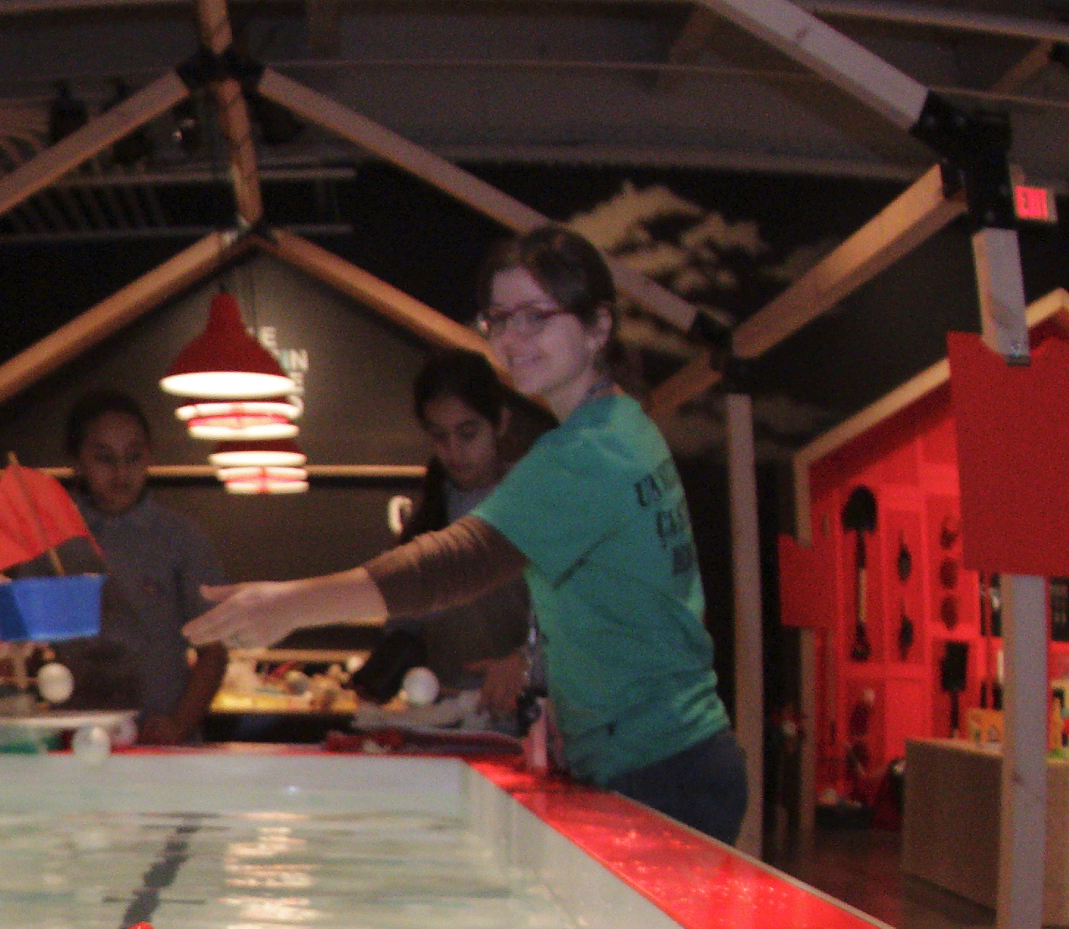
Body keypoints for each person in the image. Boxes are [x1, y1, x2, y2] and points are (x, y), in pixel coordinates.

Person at [187, 225, 746, 843]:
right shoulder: (624, 425)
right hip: (672, 756)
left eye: (536, 316)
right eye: (499, 319)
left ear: (598, 326)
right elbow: (626, 605)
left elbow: (451, 566)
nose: (511, 338)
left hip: (662, 768)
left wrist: (290, 605)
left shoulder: (587, 452)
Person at [59, 391, 228, 744]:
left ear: (149, 455)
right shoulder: (54, 541)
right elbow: (22, 647)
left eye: (134, 457)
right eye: (105, 458)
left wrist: (179, 724)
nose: (121, 472)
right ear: (77, 461)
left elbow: (214, 649)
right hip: (76, 737)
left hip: (163, 741)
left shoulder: (181, 537)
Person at [401, 349, 541, 714]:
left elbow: (586, 622)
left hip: (528, 713)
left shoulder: (537, 502)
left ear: (500, 423)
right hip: (443, 715)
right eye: (440, 437)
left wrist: (527, 660)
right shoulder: (430, 510)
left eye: (467, 433)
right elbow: (405, 626)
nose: (454, 451)